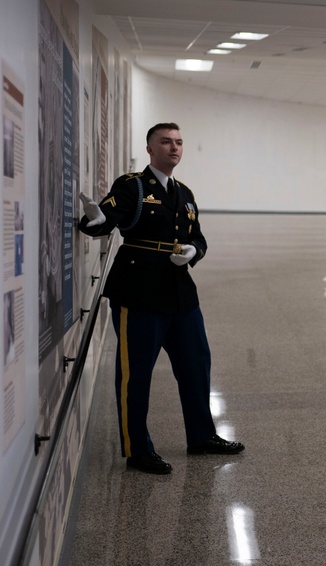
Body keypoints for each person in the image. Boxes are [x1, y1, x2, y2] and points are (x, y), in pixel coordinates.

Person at [77, 122, 244, 475]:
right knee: (135, 373)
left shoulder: (183, 192)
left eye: (179, 142)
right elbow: (106, 221)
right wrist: (95, 219)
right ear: (150, 149)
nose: (174, 148)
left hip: (180, 294)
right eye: (166, 142)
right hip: (138, 290)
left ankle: (201, 436)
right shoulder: (133, 186)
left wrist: (192, 250)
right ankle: (138, 449)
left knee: (196, 365)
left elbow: (198, 236)